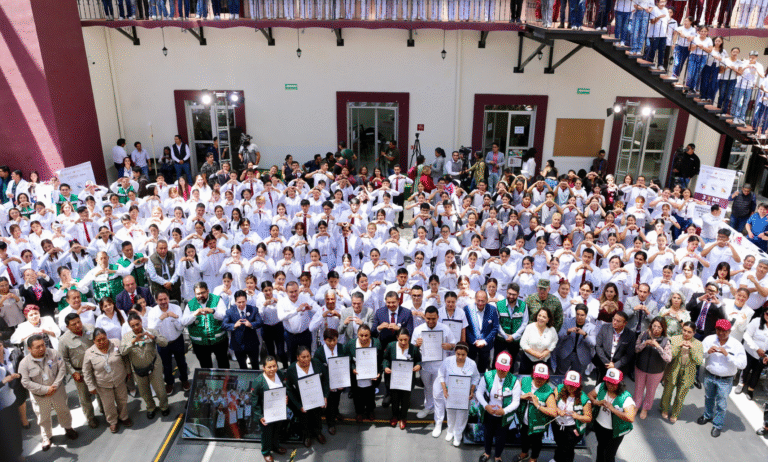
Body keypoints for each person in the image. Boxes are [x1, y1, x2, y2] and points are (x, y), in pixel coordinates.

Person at [19, 334, 79, 451]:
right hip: (40, 396)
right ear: (29, 349)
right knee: (43, 417)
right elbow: (25, 382)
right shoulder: (24, 363)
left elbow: (62, 369)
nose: (42, 348)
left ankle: (68, 428)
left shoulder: (54, 353)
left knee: (63, 410)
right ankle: (46, 437)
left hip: (57, 390)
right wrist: (45, 390)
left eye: (43, 345)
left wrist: (54, 386)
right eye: (37, 347)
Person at [697, 319, 747, 437]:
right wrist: (707, 352)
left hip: (725, 380)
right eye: (718, 330)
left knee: (721, 403)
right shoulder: (709, 340)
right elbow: (699, 354)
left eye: (724, 331)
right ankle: (708, 415)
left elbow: (743, 364)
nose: (721, 333)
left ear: (729, 331)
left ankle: (717, 425)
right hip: (709, 375)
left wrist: (727, 355)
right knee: (709, 397)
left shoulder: (736, 345)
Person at [120, 312, 170, 419]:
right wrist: (133, 342)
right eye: (133, 326)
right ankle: (151, 407)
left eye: (137, 324)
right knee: (144, 392)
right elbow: (122, 352)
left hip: (154, 366)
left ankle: (164, 406)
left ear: (141, 322)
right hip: (138, 370)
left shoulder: (150, 331)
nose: (136, 327)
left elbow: (164, 343)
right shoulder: (127, 337)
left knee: (160, 390)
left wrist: (154, 337)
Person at [83, 327, 133, 433]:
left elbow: (125, 358)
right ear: (94, 341)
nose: (102, 342)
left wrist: (128, 371)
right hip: (103, 384)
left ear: (107, 337)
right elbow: (86, 372)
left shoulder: (116, 343)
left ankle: (124, 417)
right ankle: (113, 422)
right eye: (98, 340)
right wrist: (90, 386)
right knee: (108, 405)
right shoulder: (89, 353)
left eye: (104, 339)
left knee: (122, 400)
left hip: (119, 379)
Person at [412, 306, 456, 420]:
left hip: (440, 365)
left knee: (439, 389)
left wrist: (449, 346)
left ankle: (438, 410)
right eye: (428, 318)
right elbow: (411, 348)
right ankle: (428, 407)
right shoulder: (418, 329)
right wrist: (416, 344)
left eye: (433, 318)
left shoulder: (445, 328)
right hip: (425, 365)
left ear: (438, 317)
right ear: (424, 317)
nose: (431, 321)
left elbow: (454, 344)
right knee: (427, 387)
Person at [476, 352, 521, 462]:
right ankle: (487, 453)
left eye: (504, 369)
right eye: (499, 368)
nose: (501, 371)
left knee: (501, 436)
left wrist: (504, 411)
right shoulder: (487, 376)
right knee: (488, 433)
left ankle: (498, 456)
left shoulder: (514, 381)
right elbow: (479, 393)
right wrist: (486, 406)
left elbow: (516, 402)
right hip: (489, 412)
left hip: (504, 415)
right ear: (496, 365)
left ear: (509, 367)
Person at [58, 313, 99, 428]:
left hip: (96, 367)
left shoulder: (90, 328)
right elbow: (63, 359)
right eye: (73, 324)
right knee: (85, 397)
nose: (78, 325)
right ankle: (90, 418)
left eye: (78, 322)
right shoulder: (63, 340)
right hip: (80, 372)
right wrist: (73, 372)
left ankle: (105, 411)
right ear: (67, 327)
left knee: (101, 391)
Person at [510, 363, 558, 462]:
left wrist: (538, 405)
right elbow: (511, 394)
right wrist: (521, 397)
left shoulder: (548, 392)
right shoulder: (524, 381)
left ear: (547, 378)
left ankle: (533, 458)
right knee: (524, 438)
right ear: (533, 374)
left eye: (542, 378)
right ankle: (524, 453)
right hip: (523, 420)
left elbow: (553, 412)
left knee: (536, 442)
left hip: (538, 424)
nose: (539, 380)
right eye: (537, 377)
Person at [588, 368, 635, 462]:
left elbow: (630, 417)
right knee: (600, 447)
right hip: (600, 425)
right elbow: (590, 395)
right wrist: (596, 402)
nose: (609, 385)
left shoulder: (625, 397)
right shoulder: (601, 386)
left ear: (620, 383)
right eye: (608, 382)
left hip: (615, 431)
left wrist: (613, 409)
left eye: (613, 383)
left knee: (609, 454)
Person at [285, 345, 329, 448]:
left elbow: (325, 379)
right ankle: (307, 436)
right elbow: (289, 389)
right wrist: (298, 405)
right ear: (297, 357)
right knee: (304, 418)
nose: (306, 359)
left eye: (308, 356)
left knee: (317, 416)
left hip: (316, 397)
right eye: (303, 357)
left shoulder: (316, 363)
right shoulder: (292, 369)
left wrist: (325, 396)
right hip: (301, 400)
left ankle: (318, 433)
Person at [148, 290, 189, 394]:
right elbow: (151, 330)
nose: (163, 302)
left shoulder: (176, 308)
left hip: (177, 340)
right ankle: (169, 383)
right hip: (162, 343)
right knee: (166, 365)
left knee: (182, 362)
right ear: (156, 300)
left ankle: (184, 380)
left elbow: (181, 327)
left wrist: (175, 317)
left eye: (165, 299)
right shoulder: (152, 312)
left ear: (168, 298)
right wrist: (160, 319)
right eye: (160, 300)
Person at [660, 321, 703, 423]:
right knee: (667, 391)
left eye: (689, 332)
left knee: (681, 395)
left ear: (694, 333)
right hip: (673, 369)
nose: (686, 333)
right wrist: (678, 346)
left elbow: (699, 361)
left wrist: (692, 349)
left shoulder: (698, 344)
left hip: (688, 373)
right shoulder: (675, 339)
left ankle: (675, 413)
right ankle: (664, 409)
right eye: (684, 330)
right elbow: (670, 356)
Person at [181, 282, 229, 369]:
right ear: (194, 294)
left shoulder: (217, 300)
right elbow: (184, 322)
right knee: (205, 368)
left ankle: (225, 378)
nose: (200, 295)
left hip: (219, 341)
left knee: (223, 364)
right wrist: (194, 315)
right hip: (200, 344)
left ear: (207, 291)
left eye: (203, 293)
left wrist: (213, 312)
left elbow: (225, 316)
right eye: (198, 294)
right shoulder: (190, 304)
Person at [633, 317, 672, 420]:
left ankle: (645, 408)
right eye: (654, 326)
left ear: (663, 329)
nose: (656, 329)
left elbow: (668, 358)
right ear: (651, 325)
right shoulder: (644, 334)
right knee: (638, 388)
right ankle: (636, 406)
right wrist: (644, 343)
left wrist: (658, 346)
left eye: (659, 327)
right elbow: (636, 349)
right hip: (640, 368)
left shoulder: (666, 340)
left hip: (656, 371)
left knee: (650, 391)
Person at [382, 327, 421, 429]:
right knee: (394, 399)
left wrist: (418, 365)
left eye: (405, 340)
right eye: (401, 340)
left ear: (409, 338)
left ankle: (403, 417)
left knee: (405, 400)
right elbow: (385, 358)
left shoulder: (413, 348)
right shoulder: (391, 346)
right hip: (394, 378)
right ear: (397, 338)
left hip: (407, 379)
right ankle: (394, 416)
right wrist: (385, 367)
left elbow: (419, 360)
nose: (403, 342)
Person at [253, 356, 288, 462]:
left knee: (276, 431)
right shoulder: (258, 381)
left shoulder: (280, 374)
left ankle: (276, 446)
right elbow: (254, 401)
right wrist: (260, 416)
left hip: (278, 410)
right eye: (269, 367)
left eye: (274, 366)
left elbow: (285, 388)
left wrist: (285, 397)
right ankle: (266, 452)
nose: (272, 369)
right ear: (263, 367)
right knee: (266, 433)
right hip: (266, 413)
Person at [552, 370, 592, 462]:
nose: (571, 387)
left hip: (571, 428)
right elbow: (552, 403)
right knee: (559, 443)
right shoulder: (559, 388)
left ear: (578, 385)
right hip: (557, 424)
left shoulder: (584, 398)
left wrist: (577, 416)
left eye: (574, 385)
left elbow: (588, 418)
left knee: (568, 449)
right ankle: (556, 459)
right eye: (568, 384)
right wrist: (558, 410)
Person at [345, 323, 382, 422]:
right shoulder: (351, 344)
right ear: (357, 334)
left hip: (371, 376)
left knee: (370, 395)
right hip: (357, 375)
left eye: (366, 335)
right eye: (361, 335)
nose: (364, 338)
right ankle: (359, 412)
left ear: (370, 335)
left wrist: (378, 372)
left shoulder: (376, 343)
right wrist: (352, 368)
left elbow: (380, 359)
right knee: (357, 395)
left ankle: (370, 411)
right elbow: (347, 359)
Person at [312, 328, 346, 435]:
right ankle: (331, 423)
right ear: (324, 340)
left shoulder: (341, 348)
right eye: (329, 341)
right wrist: (327, 385)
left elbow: (345, 365)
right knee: (330, 403)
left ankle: (336, 412)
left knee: (337, 399)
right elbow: (318, 371)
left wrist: (343, 382)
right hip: (327, 383)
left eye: (334, 340)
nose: (332, 343)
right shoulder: (319, 352)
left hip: (339, 381)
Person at [223, 289, 263, 369]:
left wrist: (251, 324)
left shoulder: (253, 309)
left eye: (243, 302)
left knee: (255, 365)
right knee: (242, 366)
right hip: (238, 344)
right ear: (235, 302)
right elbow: (224, 325)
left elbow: (260, 322)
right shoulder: (230, 311)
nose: (241, 304)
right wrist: (234, 325)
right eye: (239, 302)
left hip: (252, 343)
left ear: (246, 300)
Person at [0, 340, 25, 462]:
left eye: (0, 345)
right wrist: (3, 382)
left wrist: (13, 378)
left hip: (10, 402)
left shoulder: (7, 358)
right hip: (2, 408)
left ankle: (18, 454)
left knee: (15, 430)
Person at [593, 312, 636, 380]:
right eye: (614, 319)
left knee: (614, 385)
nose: (614, 322)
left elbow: (629, 354)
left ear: (625, 323)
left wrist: (615, 365)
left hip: (619, 367)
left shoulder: (630, 335)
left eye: (618, 321)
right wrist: (607, 363)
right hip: (603, 364)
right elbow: (598, 346)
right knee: (600, 383)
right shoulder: (605, 328)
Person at [494, 283, 528, 370]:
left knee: (511, 364)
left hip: (515, 340)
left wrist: (513, 336)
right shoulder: (499, 304)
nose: (511, 296)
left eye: (514, 294)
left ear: (518, 294)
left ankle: (509, 378)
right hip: (501, 339)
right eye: (509, 293)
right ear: (506, 292)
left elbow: (524, 323)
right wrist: (505, 336)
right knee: (496, 362)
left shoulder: (523, 305)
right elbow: (496, 323)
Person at [464, 290, 499, 373]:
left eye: (483, 301)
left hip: (486, 345)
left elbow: (495, 327)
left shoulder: (493, 309)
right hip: (471, 344)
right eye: (478, 300)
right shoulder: (467, 309)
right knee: (469, 368)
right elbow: (465, 328)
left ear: (487, 300)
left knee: (482, 368)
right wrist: (474, 341)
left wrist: (485, 341)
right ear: (475, 299)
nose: (480, 303)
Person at [555, 304, 596, 374]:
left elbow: (593, 343)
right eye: (578, 314)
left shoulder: (592, 327)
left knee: (576, 377)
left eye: (582, 315)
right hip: (566, 354)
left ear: (586, 315)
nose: (579, 317)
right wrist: (568, 331)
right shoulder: (567, 321)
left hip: (581, 357)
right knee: (560, 374)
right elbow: (560, 336)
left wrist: (585, 334)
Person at [519, 307, 558, 374]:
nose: (541, 318)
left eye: (544, 317)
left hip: (543, 360)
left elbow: (554, 341)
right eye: (539, 315)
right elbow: (523, 343)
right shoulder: (530, 327)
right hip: (527, 360)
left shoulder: (552, 330)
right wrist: (535, 354)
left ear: (548, 319)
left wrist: (547, 351)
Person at [741, 310, 768, 400]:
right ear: (764, 313)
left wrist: (767, 355)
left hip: (763, 356)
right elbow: (747, 335)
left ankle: (750, 389)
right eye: (767, 313)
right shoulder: (756, 321)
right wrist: (757, 348)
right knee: (746, 368)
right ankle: (741, 384)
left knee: (757, 372)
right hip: (750, 351)